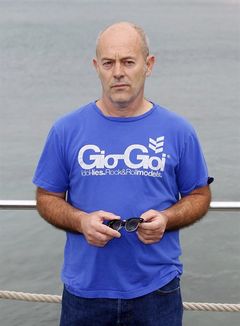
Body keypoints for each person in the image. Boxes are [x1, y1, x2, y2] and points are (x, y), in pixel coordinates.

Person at [33, 21, 213, 326]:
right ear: (96, 67)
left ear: (148, 64)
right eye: (108, 62)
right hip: (85, 293)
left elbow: (199, 195)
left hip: (157, 291)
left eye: (128, 62)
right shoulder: (66, 129)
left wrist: (167, 219)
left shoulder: (178, 130)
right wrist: (80, 221)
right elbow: (47, 197)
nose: (118, 72)